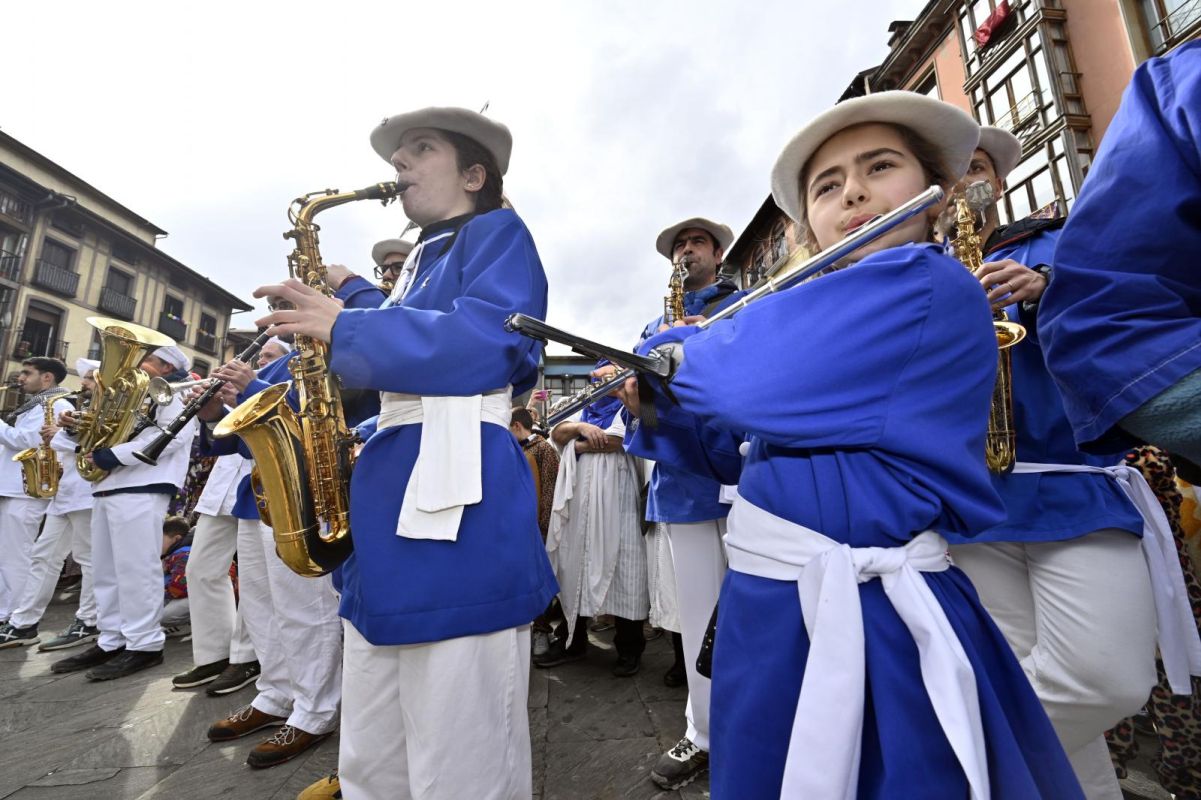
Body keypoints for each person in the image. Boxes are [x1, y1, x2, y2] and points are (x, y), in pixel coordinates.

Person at [618, 92, 1082, 798]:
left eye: (879, 167)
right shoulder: (811, 309)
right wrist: (660, 401)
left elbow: (748, 384)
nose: (854, 192)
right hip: (769, 605)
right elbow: (731, 452)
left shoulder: (926, 281)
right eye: (827, 186)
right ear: (807, 227)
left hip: (871, 612)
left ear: (933, 196)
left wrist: (680, 355)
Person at [260, 106, 556, 800]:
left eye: (420, 150)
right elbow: (388, 379)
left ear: (474, 174)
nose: (399, 165)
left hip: (458, 489)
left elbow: (492, 343)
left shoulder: (496, 231)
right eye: (399, 154)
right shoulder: (420, 259)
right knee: (374, 716)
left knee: (461, 733)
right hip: (396, 482)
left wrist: (350, 324)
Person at [942, 126, 1158, 800]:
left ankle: (943, 767)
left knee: (1106, 680)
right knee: (1021, 671)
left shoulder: (1059, 241)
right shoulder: (919, 269)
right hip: (971, 504)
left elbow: (1134, 308)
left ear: (998, 182)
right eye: (950, 172)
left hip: (1069, 484)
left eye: (976, 167)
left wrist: (1042, 288)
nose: (964, 182)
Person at [1039, 42, 1201, 474]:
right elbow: (1100, 319)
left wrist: (1039, 286)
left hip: (1096, 481)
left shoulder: (1047, 238)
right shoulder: (1177, 87)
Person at [629, 216, 743, 790]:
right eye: (678, 245)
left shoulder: (746, 304)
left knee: (760, 612)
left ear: (718, 253)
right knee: (699, 618)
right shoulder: (651, 326)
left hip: (746, 478)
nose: (686, 251)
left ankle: (757, 724)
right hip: (683, 485)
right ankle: (702, 734)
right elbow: (644, 418)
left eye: (696, 242)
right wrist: (636, 397)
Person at [49, 346, 199, 681]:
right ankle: (112, 638)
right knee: (106, 571)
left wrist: (111, 456)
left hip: (142, 487)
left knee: (136, 570)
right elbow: (89, 439)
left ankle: (145, 645)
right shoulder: (126, 395)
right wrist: (76, 428)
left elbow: (170, 437)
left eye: (146, 359)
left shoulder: (170, 395)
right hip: (106, 488)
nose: (136, 364)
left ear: (165, 366)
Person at [536, 393, 648, 676]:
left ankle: (629, 649)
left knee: (626, 572)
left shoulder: (629, 407)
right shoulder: (585, 407)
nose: (601, 384)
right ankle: (572, 641)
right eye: (597, 378)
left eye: (608, 377)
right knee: (575, 568)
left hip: (620, 504)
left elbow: (618, 440)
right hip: (581, 506)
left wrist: (577, 446)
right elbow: (557, 431)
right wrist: (581, 429)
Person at [0, 358, 93, 649]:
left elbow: (31, 441)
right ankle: (20, 622)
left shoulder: (59, 405)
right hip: (45, 491)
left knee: (24, 556)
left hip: (49, 489)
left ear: (47, 378)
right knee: (36, 556)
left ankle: (86, 622)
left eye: (28, 373)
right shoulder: (41, 405)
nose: (20, 377)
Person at [160, 516, 193, 635]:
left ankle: (191, 623)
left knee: (162, 615)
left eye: (161, 539)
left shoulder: (183, 554)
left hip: (200, 597)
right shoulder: (175, 553)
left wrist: (156, 591)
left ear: (176, 538)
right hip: (190, 595)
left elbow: (178, 587)